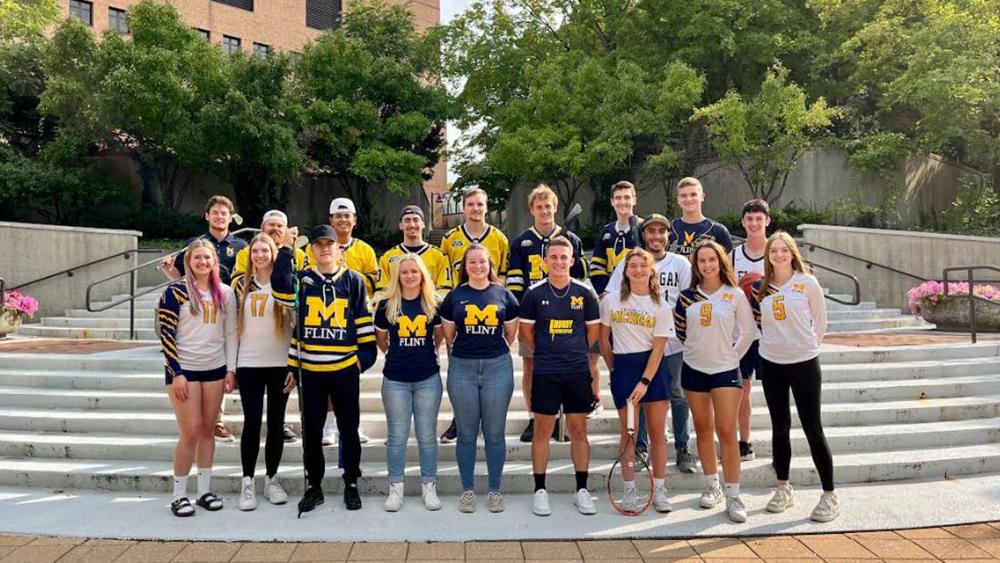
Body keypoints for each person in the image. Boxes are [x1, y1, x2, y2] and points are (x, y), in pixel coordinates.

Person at [272, 224, 376, 514]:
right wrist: (285, 248)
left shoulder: (353, 281)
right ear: (311, 250)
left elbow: (364, 325)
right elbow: (280, 288)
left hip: (344, 369)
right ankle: (314, 485)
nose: (324, 248)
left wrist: (362, 360)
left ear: (338, 248)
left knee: (349, 430)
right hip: (312, 371)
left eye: (329, 243)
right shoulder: (303, 280)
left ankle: (351, 483)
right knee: (313, 431)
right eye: (318, 244)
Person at [751, 232, 837, 522]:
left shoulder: (806, 283)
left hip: (804, 363)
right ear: (768, 255)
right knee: (779, 427)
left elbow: (821, 321)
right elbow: (755, 324)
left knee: (813, 428)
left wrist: (807, 347)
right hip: (771, 362)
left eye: (783, 250)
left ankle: (829, 495)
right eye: (773, 250)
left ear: (792, 253)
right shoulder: (761, 287)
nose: (778, 255)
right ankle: (783, 487)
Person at [606, 214, 696, 474]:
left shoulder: (680, 263)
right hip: (639, 346)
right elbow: (612, 296)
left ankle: (682, 446)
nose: (656, 236)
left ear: (669, 235)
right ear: (644, 235)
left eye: (661, 231)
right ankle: (640, 445)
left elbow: (691, 299)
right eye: (651, 231)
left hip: (674, 343)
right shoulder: (631, 262)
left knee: (678, 395)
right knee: (640, 397)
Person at [674, 240, 756, 523]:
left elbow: (748, 332)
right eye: (702, 261)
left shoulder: (734, 295)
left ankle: (734, 495)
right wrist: (698, 351)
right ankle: (712, 486)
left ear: (721, 261)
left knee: (726, 431)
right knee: (703, 429)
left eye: (712, 259)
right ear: (696, 266)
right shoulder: (686, 297)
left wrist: (730, 356)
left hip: (725, 371)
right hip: (694, 369)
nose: (707, 265)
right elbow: (681, 332)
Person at [519, 236, 600, 517]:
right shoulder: (533, 294)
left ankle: (582, 490)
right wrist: (548, 351)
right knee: (542, 431)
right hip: (546, 371)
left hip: (576, 371)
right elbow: (526, 334)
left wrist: (572, 350)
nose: (558, 262)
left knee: (579, 431)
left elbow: (592, 334)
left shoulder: (585, 293)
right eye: (553, 257)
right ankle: (540, 490)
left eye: (563, 257)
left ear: (572, 261)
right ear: (544, 262)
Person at [157, 240, 237, 517]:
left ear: (215, 262)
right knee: (190, 431)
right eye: (197, 258)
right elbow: (166, 335)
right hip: (184, 370)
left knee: (207, 429)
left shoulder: (225, 293)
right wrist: (176, 372)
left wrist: (231, 369)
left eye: (208, 258)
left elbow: (230, 334)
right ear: (188, 262)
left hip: (215, 368)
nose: (203, 262)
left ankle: (204, 491)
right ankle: (179, 495)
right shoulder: (175, 292)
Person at [439, 244, 519, 513]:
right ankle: (468, 490)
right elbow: (449, 337)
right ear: (465, 266)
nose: (477, 267)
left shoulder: (504, 295)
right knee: (466, 433)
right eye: (471, 262)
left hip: (497, 367)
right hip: (463, 367)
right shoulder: (454, 297)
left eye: (482, 262)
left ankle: (495, 490)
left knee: (495, 433)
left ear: (490, 265)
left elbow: (510, 335)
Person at [160, 195, 247, 443]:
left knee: (228, 361)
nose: (220, 217)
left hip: (232, 309)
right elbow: (181, 282)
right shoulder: (193, 244)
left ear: (231, 218)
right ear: (207, 216)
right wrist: (170, 272)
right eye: (215, 212)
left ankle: (214, 417)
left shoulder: (241, 245)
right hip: (202, 313)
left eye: (224, 213)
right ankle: (214, 422)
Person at [508, 185, 588, 444]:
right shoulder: (521, 242)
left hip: (565, 317)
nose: (544, 211)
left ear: (556, 208)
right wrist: (522, 314)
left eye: (548, 206)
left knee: (565, 368)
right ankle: (537, 417)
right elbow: (515, 283)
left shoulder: (571, 240)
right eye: (539, 206)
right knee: (531, 367)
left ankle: (561, 419)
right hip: (533, 316)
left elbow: (579, 280)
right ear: (532, 210)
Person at [599, 248, 675, 514]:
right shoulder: (611, 302)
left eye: (644, 265)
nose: (639, 270)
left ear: (651, 270)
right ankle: (629, 490)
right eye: (633, 265)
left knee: (657, 434)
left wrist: (644, 381)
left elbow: (658, 348)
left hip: (651, 371)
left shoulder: (661, 305)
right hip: (624, 368)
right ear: (625, 270)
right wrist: (613, 368)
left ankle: (660, 489)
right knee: (628, 434)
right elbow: (602, 339)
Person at [375, 254, 446, 512]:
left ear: (422, 274)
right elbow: (382, 340)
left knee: (427, 437)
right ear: (398, 276)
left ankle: (429, 486)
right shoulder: (386, 305)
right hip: (395, 379)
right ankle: (396, 488)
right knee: (396, 437)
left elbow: (438, 338)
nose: (409, 276)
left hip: (427, 378)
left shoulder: (433, 303)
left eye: (414, 272)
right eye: (404, 272)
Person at [438, 188, 510, 444]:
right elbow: (444, 276)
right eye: (470, 204)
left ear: (486, 207)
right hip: (458, 313)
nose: (476, 208)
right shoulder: (450, 238)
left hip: (489, 314)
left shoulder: (499, 238)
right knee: (459, 378)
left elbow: (502, 279)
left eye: (480, 204)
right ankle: (460, 420)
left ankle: (487, 424)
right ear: (464, 207)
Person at [306, 198, 377, 446]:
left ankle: (350, 426)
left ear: (355, 220)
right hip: (323, 316)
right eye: (338, 216)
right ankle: (328, 426)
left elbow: (372, 283)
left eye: (347, 216)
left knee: (350, 382)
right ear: (331, 220)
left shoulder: (365, 250)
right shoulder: (316, 247)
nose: (343, 220)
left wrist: (346, 274)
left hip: (351, 316)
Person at [232, 234, 295, 511]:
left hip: (280, 363)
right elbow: (231, 328)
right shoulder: (239, 285)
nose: (259, 255)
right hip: (249, 364)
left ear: (273, 253)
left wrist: (294, 365)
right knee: (252, 422)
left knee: (276, 423)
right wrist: (231, 367)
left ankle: (272, 479)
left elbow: (295, 327)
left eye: (264, 250)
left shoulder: (284, 283)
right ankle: (248, 482)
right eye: (255, 251)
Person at [231, 210, 305, 445]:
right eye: (270, 225)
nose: (275, 229)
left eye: (279, 226)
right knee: (251, 420)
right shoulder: (246, 256)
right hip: (251, 355)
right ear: (262, 228)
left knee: (276, 417)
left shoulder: (299, 254)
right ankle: (248, 479)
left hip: (281, 349)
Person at [731, 199, 771, 462]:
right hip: (742, 332)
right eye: (749, 219)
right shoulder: (734, 256)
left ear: (767, 221)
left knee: (775, 390)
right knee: (742, 388)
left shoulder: (778, 251)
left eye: (759, 218)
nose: (754, 223)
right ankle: (744, 441)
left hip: (772, 332)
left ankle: (781, 443)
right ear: (743, 222)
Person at [376, 205, 453, 299]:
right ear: (401, 225)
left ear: (423, 224)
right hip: (397, 310)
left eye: (416, 220)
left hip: (429, 309)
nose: (412, 225)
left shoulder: (439, 256)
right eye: (407, 220)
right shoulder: (388, 257)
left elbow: (444, 291)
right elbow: (381, 293)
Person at [590, 181, 643, 295]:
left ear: (634, 200)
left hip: (639, 296)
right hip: (611, 297)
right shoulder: (606, 232)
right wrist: (607, 292)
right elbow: (596, 268)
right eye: (618, 198)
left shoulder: (644, 229)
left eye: (627, 197)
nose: (622, 202)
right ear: (612, 202)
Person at [669, 177, 733, 256]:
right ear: (678, 200)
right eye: (683, 196)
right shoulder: (668, 229)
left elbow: (728, 265)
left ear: (702, 196)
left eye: (693, 194)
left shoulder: (718, 231)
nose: (688, 199)